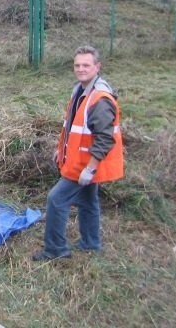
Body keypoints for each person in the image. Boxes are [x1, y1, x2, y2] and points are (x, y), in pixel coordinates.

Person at [32, 45, 124, 261]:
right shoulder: (81, 90)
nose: (81, 69)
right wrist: (61, 149)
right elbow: (73, 127)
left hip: (85, 165)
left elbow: (105, 138)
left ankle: (55, 250)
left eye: (86, 65)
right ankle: (90, 243)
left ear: (97, 67)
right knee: (88, 200)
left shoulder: (100, 99)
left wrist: (90, 169)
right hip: (78, 160)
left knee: (56, 199)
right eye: (77, 65)